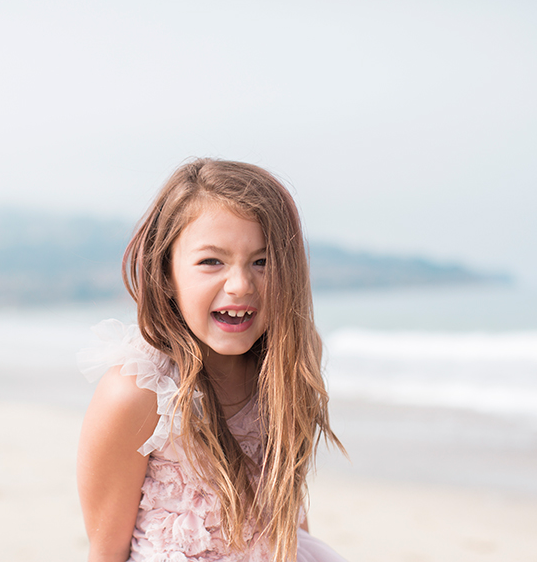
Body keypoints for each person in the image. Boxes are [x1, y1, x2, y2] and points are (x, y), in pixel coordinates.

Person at [76, 159, 346, 562]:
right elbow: (105, 552)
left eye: (263, 261)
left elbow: (286, 514)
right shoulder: (137, 394)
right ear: (166, 273)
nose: (240, 285)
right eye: (211, 262)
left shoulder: (286, 369)